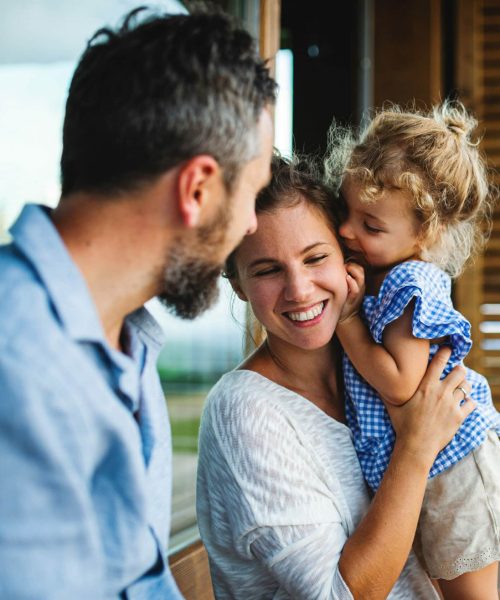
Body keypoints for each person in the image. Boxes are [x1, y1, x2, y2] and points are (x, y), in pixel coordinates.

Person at [0, 6, 276, 599]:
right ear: (196, 189)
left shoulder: (129, 340)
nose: (251, 226)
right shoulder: (17, 367)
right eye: (251, 193)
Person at [196, 155, 475, 599]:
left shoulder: (376, 372)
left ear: (349, 255)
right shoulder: (244, 411)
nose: (300, 290)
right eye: (268, 270)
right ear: (237, 284)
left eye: (315, 258)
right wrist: (417, 446)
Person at [332, 102, 500, 598]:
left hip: (456, 468)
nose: (346, 231)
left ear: (424, 235)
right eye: (346, 212)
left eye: (371, 226)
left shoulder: (409, 282)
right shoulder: (387, 271)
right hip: (436, 459)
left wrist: (345, 321)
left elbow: (402, 381)